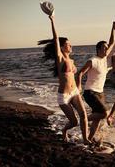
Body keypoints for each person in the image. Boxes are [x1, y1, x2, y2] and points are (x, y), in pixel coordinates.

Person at [39, 15, 91, 144]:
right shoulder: (60, 58)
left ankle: (86, 139)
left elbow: (75, 75)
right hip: (63, 96)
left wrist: (78, 85)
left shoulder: (71, 60)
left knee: (83, 115)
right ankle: (64, 131)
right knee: (74, 122)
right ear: (62, 47)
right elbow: (56, 39)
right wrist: (53, 20)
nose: (71, 45)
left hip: (74, 93)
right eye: (68, 44)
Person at [77, 22, 115, 143]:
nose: (107, 49)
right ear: (98, 49)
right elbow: (80, 73)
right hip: (90, 92)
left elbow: (111, 43)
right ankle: (83, 119)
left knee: (97, 118)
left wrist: (113, 28)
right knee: (105, 113)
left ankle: (89, 139)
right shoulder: (93, 61)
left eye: (106, 48)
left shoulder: (104, 59)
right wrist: (79, 86)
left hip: (100, 93)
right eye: (104, 48)